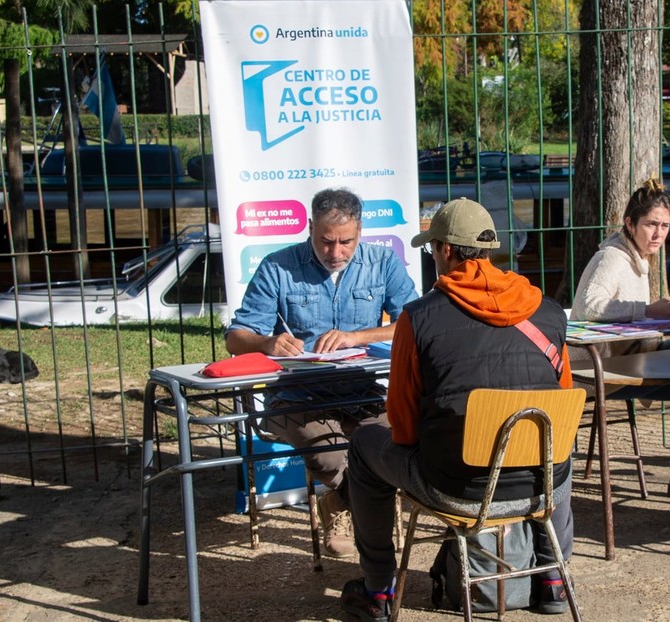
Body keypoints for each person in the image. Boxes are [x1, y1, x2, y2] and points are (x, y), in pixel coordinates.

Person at [339, 197, 576, 621]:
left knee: (363, 444)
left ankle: (377, 590)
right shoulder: (550, 311)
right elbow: (561, 402)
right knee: (556, 448)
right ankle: (555, 579)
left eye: (431, 249)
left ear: (446, 251)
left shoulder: (418, 317)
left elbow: (404, 424)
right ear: (488, 250)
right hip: (537, 486)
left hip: (457, 487)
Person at [225, 187, 418, 558]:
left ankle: (339, 506)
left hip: (361, 392)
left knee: (391, 451)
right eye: (326, 241)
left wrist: (358, 336)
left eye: (346, 242)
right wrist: (268, 343)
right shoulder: (278, 266)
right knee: (329, 458)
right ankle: (356, 522)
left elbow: (413, 322)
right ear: (310, 227)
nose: (336, 252)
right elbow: (236, 338)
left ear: (361, 231)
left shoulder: (383, 262)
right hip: (296, 395)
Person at [570, 177, 670, 503]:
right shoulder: (612, 257)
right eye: (650, 225)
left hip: (634, 357)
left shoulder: (638, 257)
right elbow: (588, 306)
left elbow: (642, 314)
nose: (658, 234)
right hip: (607, 369)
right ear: (630, 223)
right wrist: (645, 309)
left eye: (665, 226)